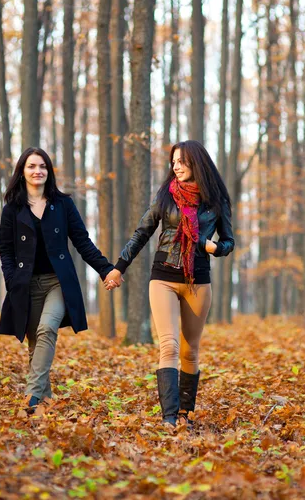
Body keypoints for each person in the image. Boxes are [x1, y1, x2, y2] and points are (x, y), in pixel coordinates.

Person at [106, 140, 234, 427]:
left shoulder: (216, 201)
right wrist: (118, 267)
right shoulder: (166, 196)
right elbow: (142, 232)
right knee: (169, 346)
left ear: (196, 163)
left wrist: (212, 247)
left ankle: (186, 414)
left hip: (197, 280)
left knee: (191, 349)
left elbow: (229, 242)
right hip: (163, 275)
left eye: (182, 161)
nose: (175, 166)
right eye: (173, 161)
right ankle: (169, 419)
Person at [0, 147, 117, 412]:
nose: (37, 171)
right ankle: (45, 401)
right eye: (31, 166)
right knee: (34, 346)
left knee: (47, 329)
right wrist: (12, 280)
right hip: (26, 285)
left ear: (49, 171)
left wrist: (105, 269)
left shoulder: (63, 204)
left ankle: (30, 396)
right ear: (22, 171)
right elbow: (6, 251)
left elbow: (82, 242)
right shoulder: (12, 209)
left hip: (57, 283)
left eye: (42, 166)